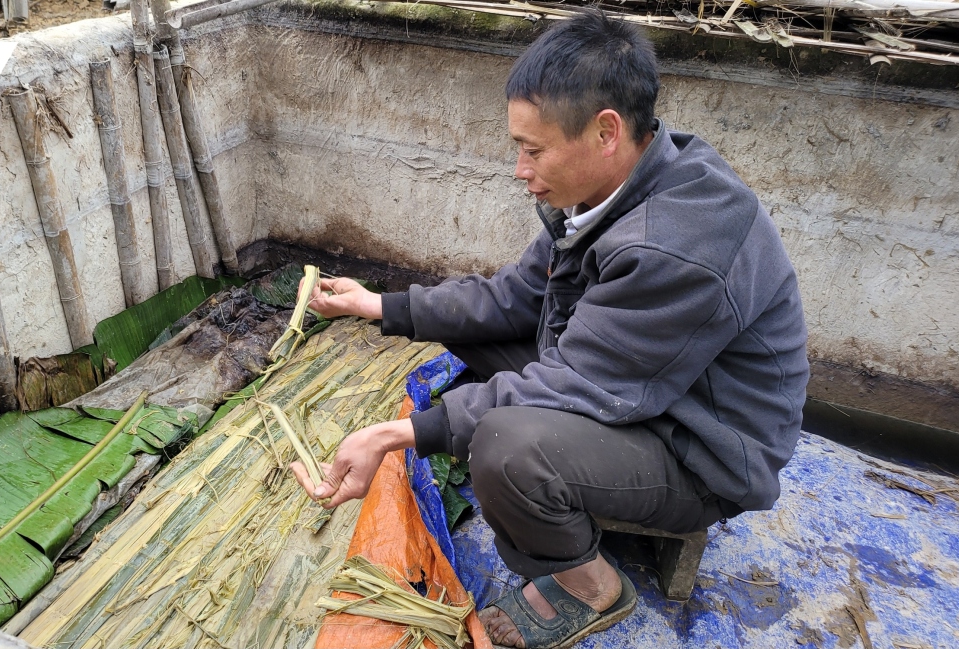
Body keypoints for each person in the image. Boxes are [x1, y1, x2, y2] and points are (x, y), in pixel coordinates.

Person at [291, 9, 809, 649]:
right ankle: (564, 493)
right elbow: (514, 297)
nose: (519, 168)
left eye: (532, 150)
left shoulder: (676, 245)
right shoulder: (607, 192)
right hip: (644, 387)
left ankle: (590, 584)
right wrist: (381, 306)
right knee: (474, 339)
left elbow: (580, 382)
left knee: (505, 446)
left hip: (700, 445)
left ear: (606, 132)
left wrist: (400, 435)